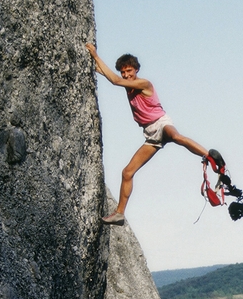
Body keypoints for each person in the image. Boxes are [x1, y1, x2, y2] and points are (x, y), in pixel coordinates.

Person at [86, 43, 225, 225]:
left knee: (175, 136)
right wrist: (93, 65)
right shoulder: (128, 83)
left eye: (129, 71)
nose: (126, 75)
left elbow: (115, 81)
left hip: (161, 123)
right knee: (127, 172)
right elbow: (107, 74)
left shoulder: (144, 83)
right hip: (150, 134)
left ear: (136, 70)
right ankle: (119, 213)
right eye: (123, 72)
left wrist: (96, 55)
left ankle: (211, 158)